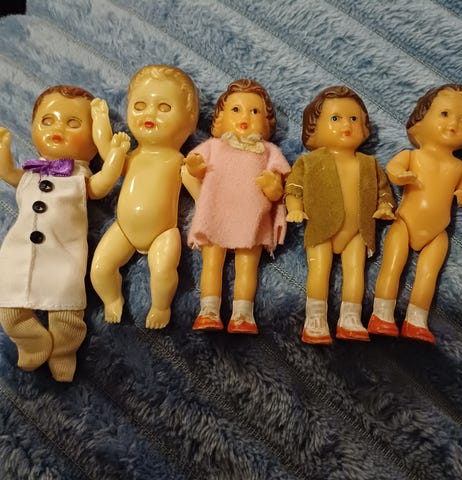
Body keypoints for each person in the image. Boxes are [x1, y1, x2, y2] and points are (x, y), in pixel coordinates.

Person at [0, 85, 129, 381]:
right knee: (9, 309)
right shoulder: (29, 173)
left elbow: (102, 185)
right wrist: (3, 150)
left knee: (67, 314)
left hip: (64, 254)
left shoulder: (79, 177)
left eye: (73, 123)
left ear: (93, 140)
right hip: (17, 254)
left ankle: (63, 351)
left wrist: (116, 156)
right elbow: (7, 173)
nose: (57, 128)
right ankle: (31, 341)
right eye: (47, 120)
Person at [368, 84, 462, 344]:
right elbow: (393, 168)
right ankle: (381, 315)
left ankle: (416, 320)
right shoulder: (412, 155)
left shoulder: (461, 168)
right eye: (445, 114)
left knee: (428, 274)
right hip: (404, 223)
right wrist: (400, 175)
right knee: (393, 266)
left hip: (438, 233)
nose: (454, 123)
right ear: (421, 118)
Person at [90, 65, 199, 329]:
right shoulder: (131, 156)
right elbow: (106, 151)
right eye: (140, 106)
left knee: (162, 272)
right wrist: (100, 120)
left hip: (163, 232)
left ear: (189, 121)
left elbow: (202, 197)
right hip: (124, 229)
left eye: (164, 108)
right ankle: (112, 299)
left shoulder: (178, 160)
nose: (150, 114)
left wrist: (193, 176)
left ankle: (161, 307)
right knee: (100, 269)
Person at [285, 86, 395, 344]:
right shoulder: (310, 161)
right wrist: (295, 208)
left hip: (358, 231)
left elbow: (383, 191)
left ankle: (350, 317)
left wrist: (386, 207)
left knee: (356, 272)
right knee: (319, 270)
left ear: (365, 127)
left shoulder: (369, 164)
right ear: (314, 128)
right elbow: (293, 188)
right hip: (321, 228)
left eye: (354, 118)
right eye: (335, 118)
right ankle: (315, 319)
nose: (346, 125)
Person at [184, 78, 291, 334]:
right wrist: (195, 167)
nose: (245, 117)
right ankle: (209, 310)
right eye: (236, 109)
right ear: (219, 119)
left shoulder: (268, 151)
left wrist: (273, 187)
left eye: (254, 111)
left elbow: (280, 191)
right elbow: (194, 167)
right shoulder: (213, 146)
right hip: (216, 213)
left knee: (247, 265)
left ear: (267, 122)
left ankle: (243, 314)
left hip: (251, 218)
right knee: (212, 263)